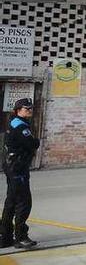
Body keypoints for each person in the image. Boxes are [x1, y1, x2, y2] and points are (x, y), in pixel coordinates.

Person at [1, 98, 39, 249]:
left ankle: (5, 237)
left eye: (30, 108)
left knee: (11, 202)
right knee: (23, 202)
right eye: (26, 108)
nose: (29, 110)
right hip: (17, 168)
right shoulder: (20, 125)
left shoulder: (16, 122)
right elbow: (31, 143)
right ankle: (21, 237)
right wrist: (35, 142)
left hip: (13, 166)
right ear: (18, 110)